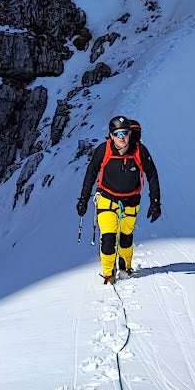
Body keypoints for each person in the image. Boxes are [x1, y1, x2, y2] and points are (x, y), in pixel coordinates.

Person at [76, 115, 161, 283]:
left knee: (125, 237)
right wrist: (83, 199)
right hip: (107, 200)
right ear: (111, 135)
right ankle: (108, 274)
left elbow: (152, 175)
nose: (122, 137)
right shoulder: (103, 150)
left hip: (131, 201)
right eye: (118, 133)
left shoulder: (139, 151)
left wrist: (155, 202)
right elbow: (91, 174)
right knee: (108, 238)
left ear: (130, 133)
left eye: (125, 133)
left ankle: (125, 266)